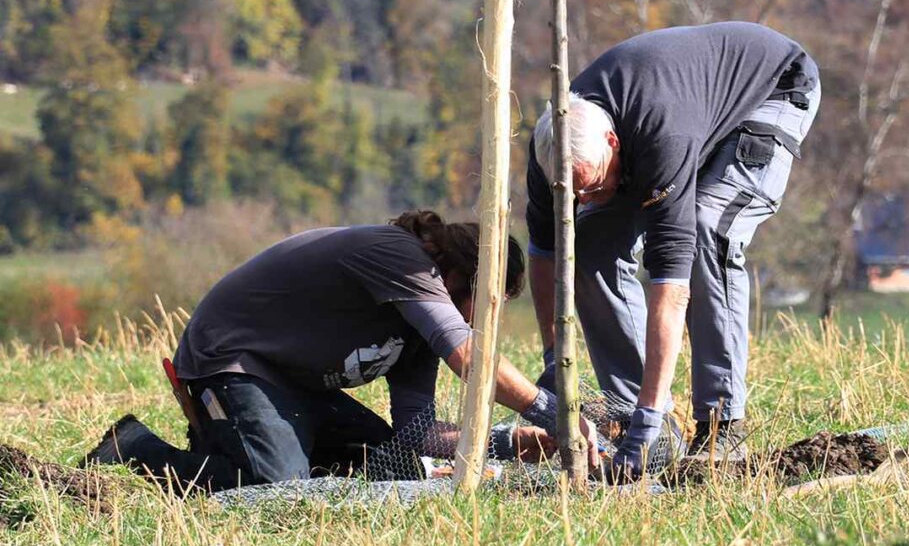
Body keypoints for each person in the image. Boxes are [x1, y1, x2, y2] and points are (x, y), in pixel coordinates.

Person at [84, 210, 599, 492]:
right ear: (459, 274)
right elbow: (467, 357)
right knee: (272, 485)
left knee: (392, 466)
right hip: (232, 362)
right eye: (477, 305)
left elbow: (417, 433)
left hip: (294, 385)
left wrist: (511, 443)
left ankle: (231, 446)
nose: (473, 320)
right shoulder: (403, 258)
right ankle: (137, 449)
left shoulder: (420, 329)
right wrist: (552, 412)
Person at [526, 22, 821, 479]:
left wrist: (651, 413)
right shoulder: (553, 151)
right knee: (590, 243)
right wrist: (551, 358)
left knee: (708, 228)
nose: (584, 199)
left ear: (612, 143)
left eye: (594, 184)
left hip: (772, 89)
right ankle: (640, 417)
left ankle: (720, 423)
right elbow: (545, 256)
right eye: (575, 194)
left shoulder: (662, 135)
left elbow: (671, 288)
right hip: (683, 113)